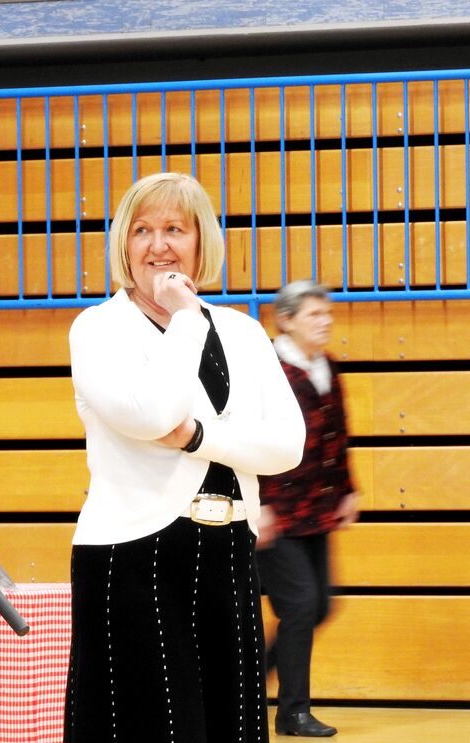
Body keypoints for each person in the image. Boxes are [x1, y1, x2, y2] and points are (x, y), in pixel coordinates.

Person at [64, 172, 306, 743]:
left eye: (175, 228)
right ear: (124, 243)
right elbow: (151, 414)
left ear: (202, 241)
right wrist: (186, 319)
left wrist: (201, 437)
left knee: (231, 724)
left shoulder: (244, 332)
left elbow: (286, 446)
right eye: (142, 230)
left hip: (229, 553)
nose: (158, 244)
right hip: (130, 557)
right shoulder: (97, 328)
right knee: (151, 727)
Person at [256, 280, 360, 738]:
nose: (326, 322)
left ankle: (247, 680)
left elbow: (338, 436)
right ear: (286, 319)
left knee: (319, 607)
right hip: (274, 514)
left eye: (328, 314)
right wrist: (256, 505)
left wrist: (348, 490)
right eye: (315, 314)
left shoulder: (326, 367)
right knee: (300, 605)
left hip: (316, 510)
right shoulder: (266, 370)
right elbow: (248, 441)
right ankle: (293, 713)